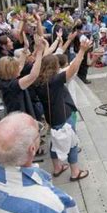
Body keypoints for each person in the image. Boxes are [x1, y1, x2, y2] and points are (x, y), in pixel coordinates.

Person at [34, 39, 91, 181]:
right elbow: (72, 69)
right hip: (63, 116)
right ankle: (75, 172)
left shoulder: (37, 80)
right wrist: (82, 51)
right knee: (72, 143)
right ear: (55, 67)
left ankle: (57, 167)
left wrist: (43, 48)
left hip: (51, 118)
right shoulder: (55, 81)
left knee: (54, 140)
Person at [0, 37, 45, 116]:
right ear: (11, 71)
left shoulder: (3, 80)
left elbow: (20, 65)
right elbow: (33, 75)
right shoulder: (11, 85)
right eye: (16, 68)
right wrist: (39, 53)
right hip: (18, 116)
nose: (19, 69)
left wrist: (25, 48)